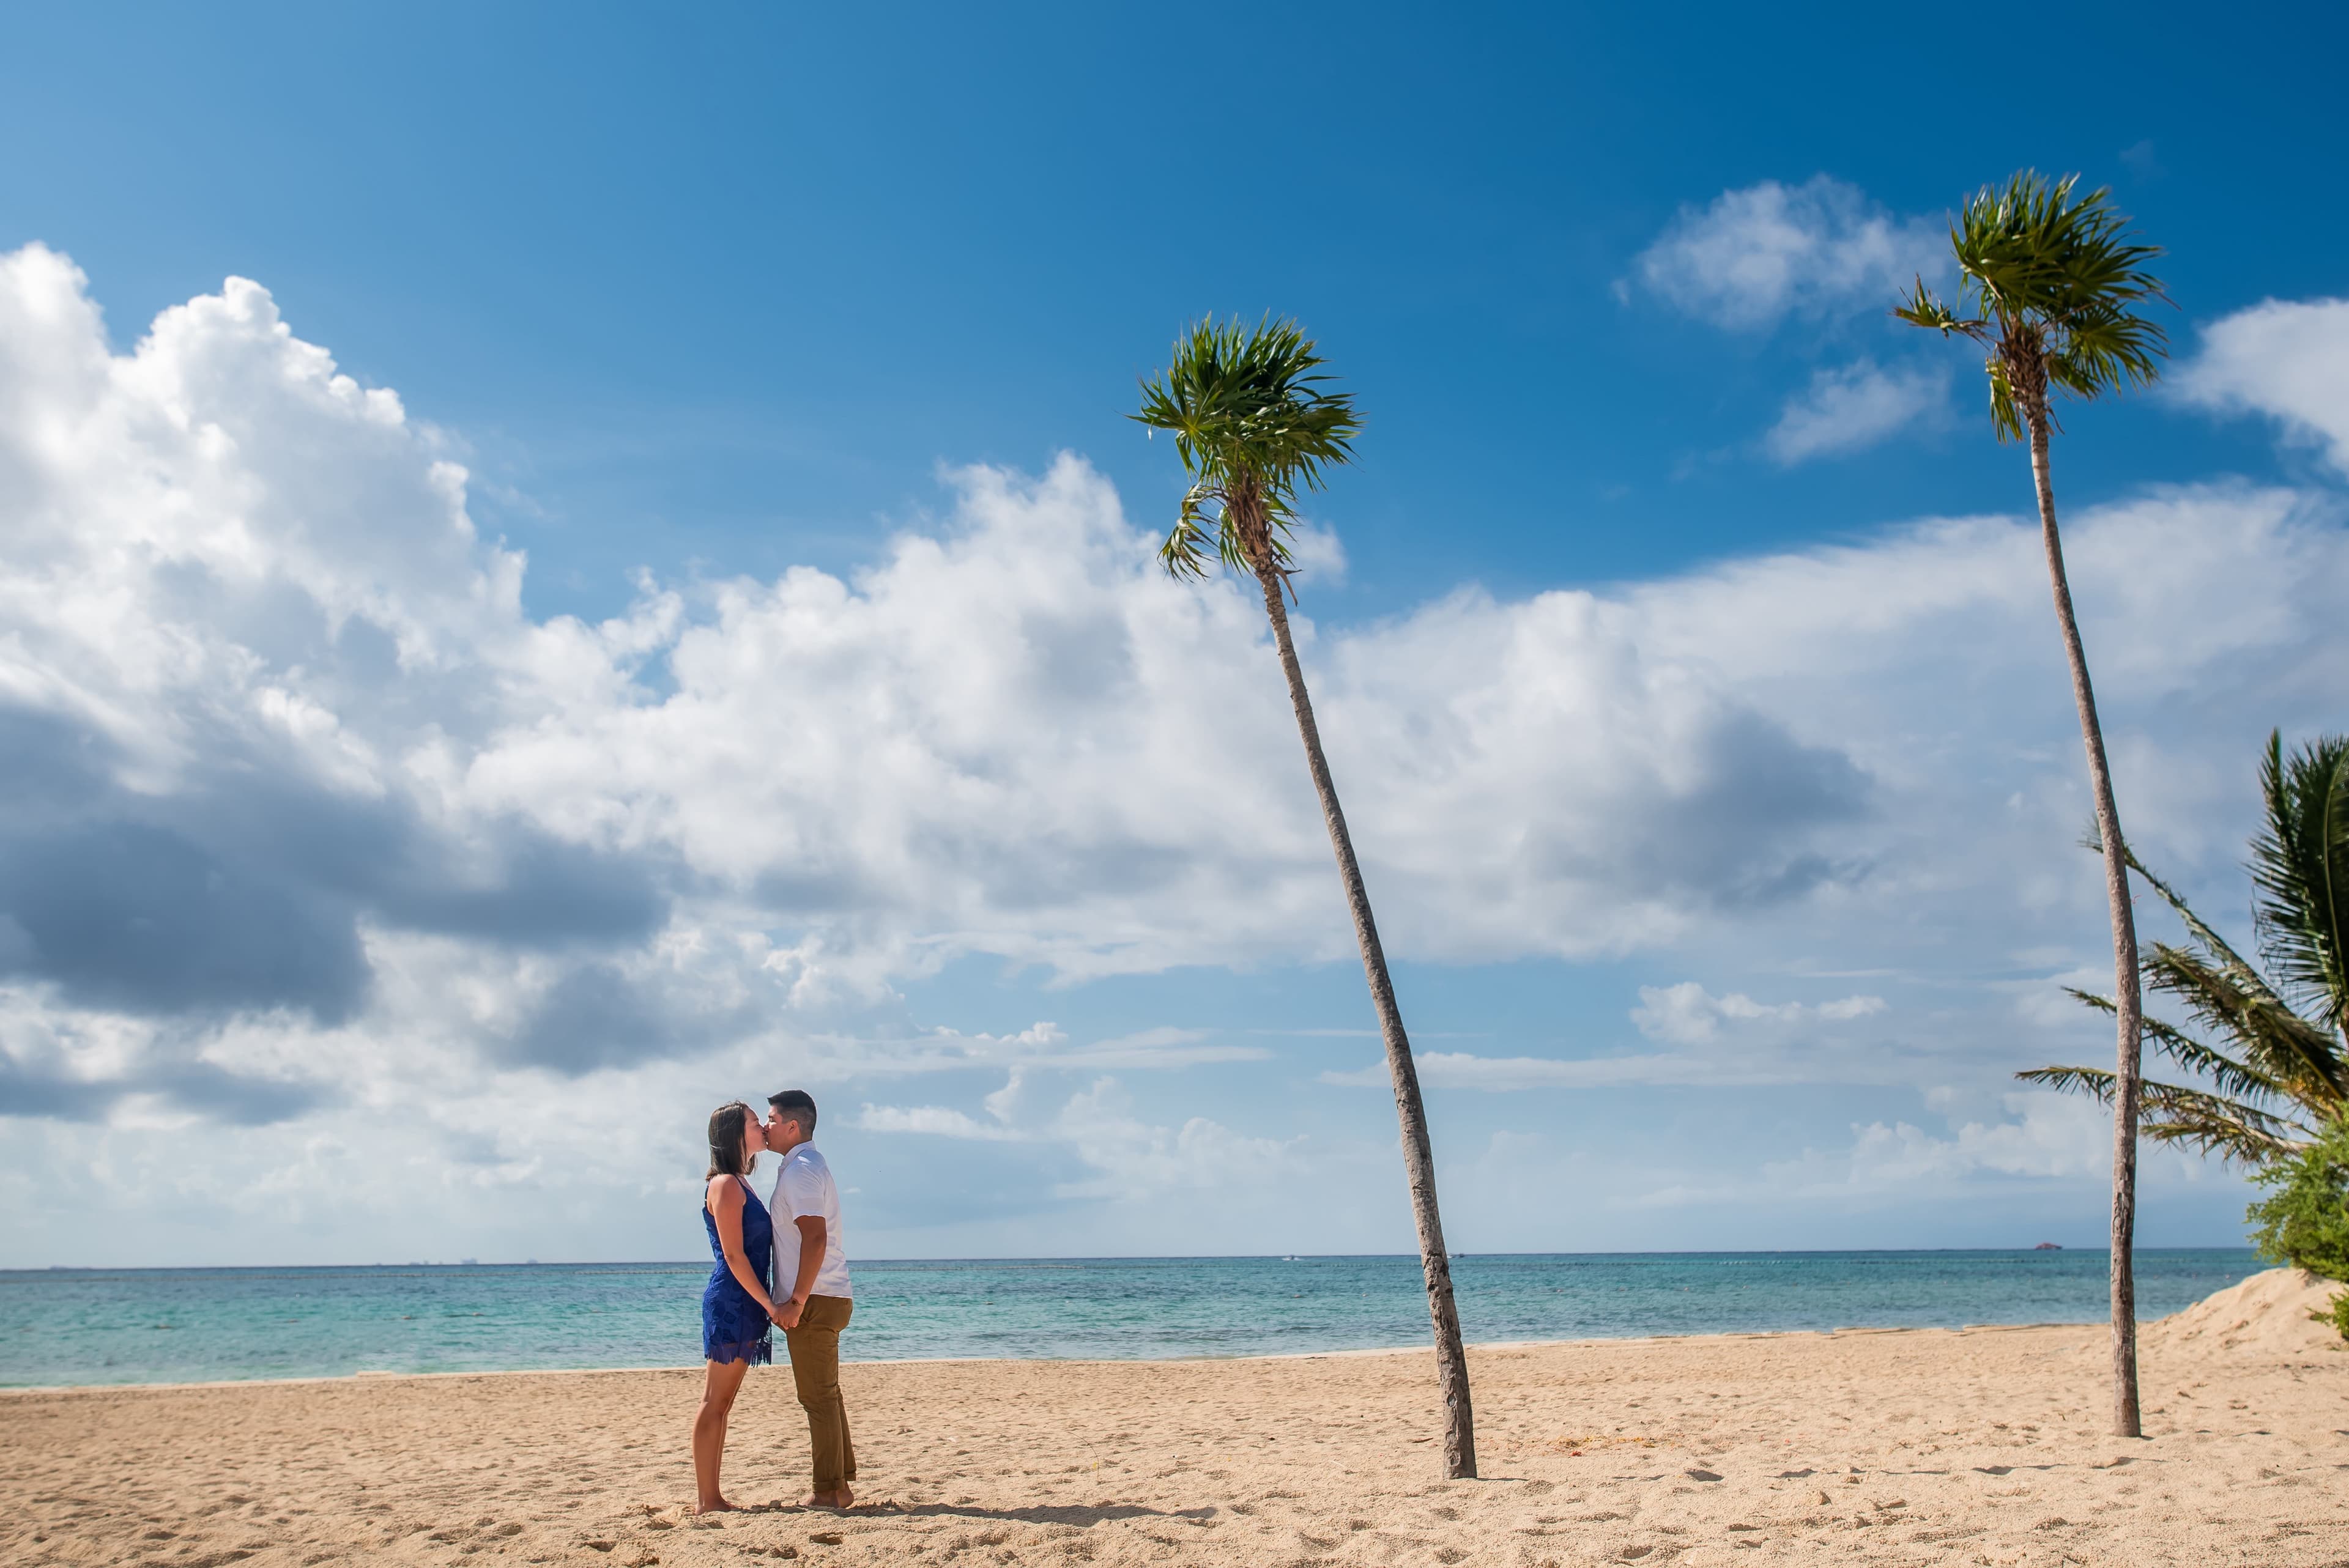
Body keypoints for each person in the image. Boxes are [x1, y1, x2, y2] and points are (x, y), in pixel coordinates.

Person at [763, 1089, 856, 1509]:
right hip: (827, 1293)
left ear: (792, 1126)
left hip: (816, 1297)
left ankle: (827, 1493)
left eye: (770, 1119)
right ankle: (840, 1486)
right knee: (827, 1394)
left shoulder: (801, 1170)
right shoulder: (806, 1165)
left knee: (816, 1398)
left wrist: (796, 1300)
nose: (766, 1127)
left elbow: (815, 1238)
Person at [692, 1100, 784, 1514]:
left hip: (745, 1300)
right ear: (735, 1135)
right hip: (733, 1299)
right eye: (753, 1123)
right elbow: (733, 1256)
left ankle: (713, 1498)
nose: (763, 1128)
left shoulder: (742, 1183)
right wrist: (768, 1301)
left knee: (723, 1403)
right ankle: (707, 1501)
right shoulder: (726, 1184)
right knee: (715, 1400)